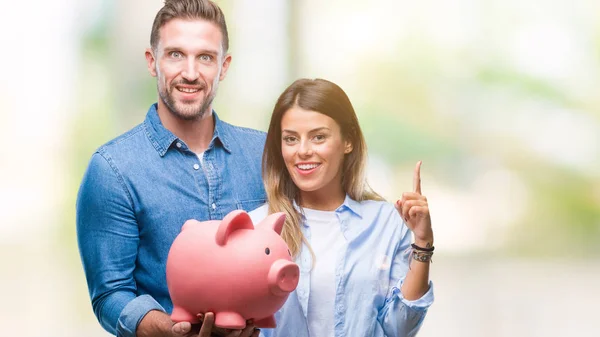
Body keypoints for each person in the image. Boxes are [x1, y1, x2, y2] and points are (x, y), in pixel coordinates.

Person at [76, 1, 264, 336]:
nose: (190, 73)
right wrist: (173, 330)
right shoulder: (112, 169)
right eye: (175, 54)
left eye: (205, 57)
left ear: (224, 66)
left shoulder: (263, 155)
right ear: (152, 61)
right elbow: (110, 294)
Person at [247, 78, 435, 337]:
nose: (302, 151)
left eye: (318, 137)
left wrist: (423, 242)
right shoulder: (256, 227)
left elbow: (400, 328)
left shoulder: (386, 223)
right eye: (291, 139)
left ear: (348, 141)